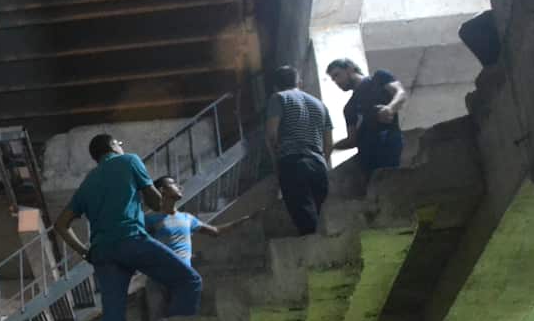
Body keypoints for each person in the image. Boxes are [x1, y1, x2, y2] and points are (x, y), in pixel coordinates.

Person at [54, 133, 202, 321]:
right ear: (113, 146)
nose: (121, 147)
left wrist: (85, 252)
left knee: (113, 313)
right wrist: (156, 196)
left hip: (102, 252)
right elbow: (155, 202)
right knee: (190, 281)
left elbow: (60, 225)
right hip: (131, 240)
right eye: (119, 143)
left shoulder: (87, 183)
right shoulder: (130, 160)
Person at [265, 65, 334, 234]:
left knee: (303, 218)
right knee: (320, 215)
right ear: (299, 82)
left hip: (292, 162)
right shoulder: (320, 104)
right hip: (318, 164)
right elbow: (329, 142)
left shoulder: (278, 98)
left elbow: (272, 135)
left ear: (275, 86)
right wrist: (323, 161)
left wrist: (277, 165)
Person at [326, 58, 408, 178]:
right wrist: (330, 146)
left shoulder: (379, 78)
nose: (337, 82)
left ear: (349, 69)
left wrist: (390, 108)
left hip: (389, 146)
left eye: (337, 75)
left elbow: (400, 93)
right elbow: (352, 140)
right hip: (367, 160)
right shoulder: (349, 107)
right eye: (333, 79)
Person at [144, 176, 255, 260]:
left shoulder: (187, 218)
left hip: (184, 277)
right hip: (161, 277)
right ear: (162, 190)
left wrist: (246, 219)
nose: (180, 187)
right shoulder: (149, 220)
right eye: (174, 184)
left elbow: (216, 231)